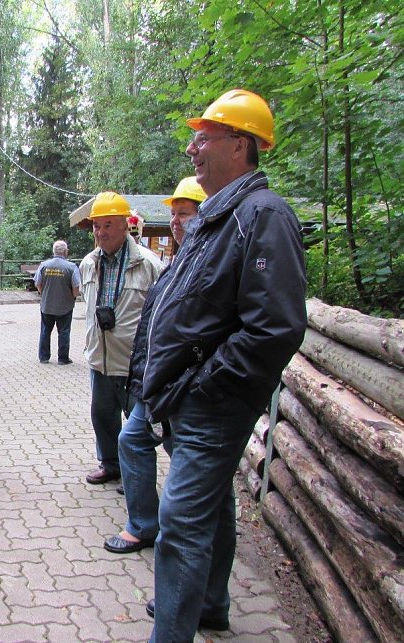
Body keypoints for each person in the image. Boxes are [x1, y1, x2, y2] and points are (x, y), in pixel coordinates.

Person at [142, 89, 307, 641]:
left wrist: (202, 389)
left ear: (239, 146)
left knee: (181, 522)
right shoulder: (222, 215)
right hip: (191, 397)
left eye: (202, 138)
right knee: (211, 508)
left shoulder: (264, 214)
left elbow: (274, 326)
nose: (192, 149)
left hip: (211, 404)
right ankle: (209, 602)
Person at [102, 176, 205, 555]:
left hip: (190, 380)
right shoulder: (180, 261)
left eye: (185, 214)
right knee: (132, 440)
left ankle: (182, 539)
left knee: (185, 459)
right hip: (156, 374)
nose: (177, 221)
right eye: (174, 214)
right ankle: (145, 524)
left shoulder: (196, 258)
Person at [80, 192, 163, 487]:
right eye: (96, 226)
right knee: (102, 418)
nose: (100, 233)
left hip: (134, 363)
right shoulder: (88, 263)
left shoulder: (150, 265)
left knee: (137, 428)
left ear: (125, 225)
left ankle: (136, 477)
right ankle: (110, 465)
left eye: (108, 225)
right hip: (100, 359)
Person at [34, 240, 81, 365]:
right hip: (65, 306)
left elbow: (37, 283)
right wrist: (73, 297)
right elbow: (76, 287)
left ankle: (43, 357)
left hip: (47, 305)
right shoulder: (71, 267)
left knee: (45, 331)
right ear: (65, 251)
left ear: (53, 251)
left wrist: (43, 293)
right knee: (64, 332)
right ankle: (63, 358)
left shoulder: (44, 265)